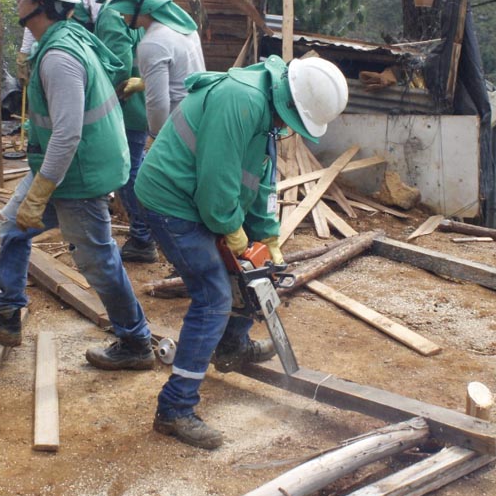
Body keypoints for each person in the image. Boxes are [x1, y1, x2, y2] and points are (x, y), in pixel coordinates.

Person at [133, 54, 349, 449]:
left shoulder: (264, 112)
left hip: (201, 196)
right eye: (292, 121)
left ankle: (232, 346)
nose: (288, 129)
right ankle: (175, 409)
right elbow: (217, 190)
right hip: (171, 199)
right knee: (214, 296)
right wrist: (235, 236)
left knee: (253, 275)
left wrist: (269, 244)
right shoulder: (241, 100)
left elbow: (259, 184)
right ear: (289, 103)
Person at [0, 0, 156, 372]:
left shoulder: (59, 58)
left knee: (97, 260)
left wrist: (41, 191)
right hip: (64, 166)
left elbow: (68, 134)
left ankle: (136, 340)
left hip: (79, 173)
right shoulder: (64, 36)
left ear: (41, 3)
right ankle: (7, 312)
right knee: (12, 226)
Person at [83, 0, 156, 264]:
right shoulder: (130, 9)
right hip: (139, 106)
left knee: (127, 173)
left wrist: (102, 100)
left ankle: (144, 237)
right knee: (132, 169)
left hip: (126, 109)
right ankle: (146, 233)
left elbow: (118, 66)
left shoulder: (113, 13)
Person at [104, 0, 206, 137]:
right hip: (198, 124)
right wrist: (144, 83)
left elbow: (158, 105)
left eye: (123, 7)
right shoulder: (182, 25)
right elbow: (181, 77)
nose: (121, 14)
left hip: (177, 135)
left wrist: (155, 137)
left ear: (136, 3)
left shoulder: (153, 42)